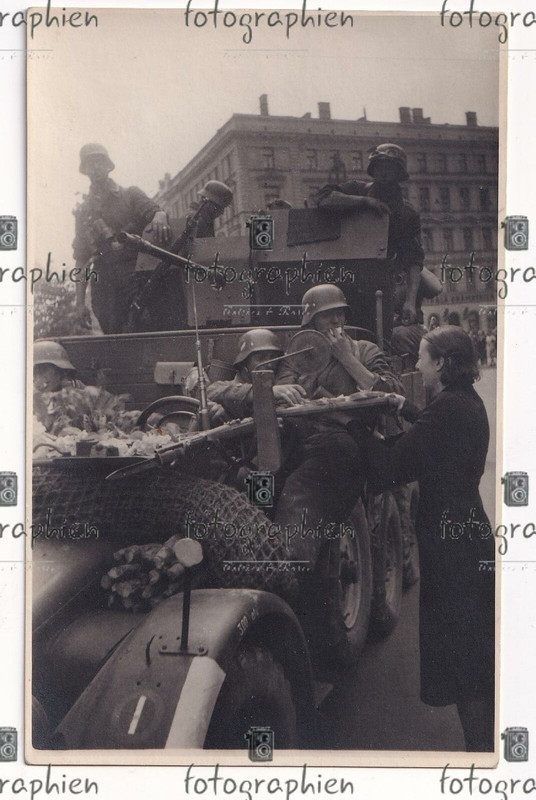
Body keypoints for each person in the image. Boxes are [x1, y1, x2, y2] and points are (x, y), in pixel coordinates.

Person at [360, 327, 495, 752]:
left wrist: (355, 431)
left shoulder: (447, 410)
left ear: (441, 363)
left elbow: (392, 467)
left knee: (466, 662)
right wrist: (405, 407)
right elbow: (436, 434)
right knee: (474, 655)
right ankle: (483, 748)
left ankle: (481, 755)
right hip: (466, 535)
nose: (417, 365)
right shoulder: (463, 401)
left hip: (452, 549)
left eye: (422, 357)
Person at [273, 284, 402, 567]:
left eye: (340, 314)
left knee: (301, 492)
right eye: (326, 316)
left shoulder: (364, 350)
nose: (335, 321)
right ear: (311, 323)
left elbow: (392, 393)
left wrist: (347, 358)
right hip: (298, 441)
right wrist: (286, 389)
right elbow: (282, 389)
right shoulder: (297, 356)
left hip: (347, 443)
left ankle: (292, 562)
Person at [317, 143, 425, 340]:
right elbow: (323, 198)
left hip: (379, 282)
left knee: (378, 337)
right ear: (372, 169)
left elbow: (414, 261)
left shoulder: (406, 213)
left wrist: (410, 302)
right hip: (343, 277)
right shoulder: (356, 190)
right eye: (379, 166)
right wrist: (363, 201)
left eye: (390, 167)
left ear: (399, 173)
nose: (383, 172)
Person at [72, 143, 170, 334]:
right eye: (90, 163)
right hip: (104, 283)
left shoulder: (130, 195)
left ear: (108, 165)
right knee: (113, 337)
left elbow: (155, 212)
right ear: (85, 169)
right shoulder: (84, 211)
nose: (95, 167)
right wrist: (79, 304)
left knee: (145, 329)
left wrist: (159, 215)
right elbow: (81, 259)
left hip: (136, 275)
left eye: (99, 161)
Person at [207, 328, 306, 418]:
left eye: (273, 357)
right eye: (260, 358)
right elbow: (212, 392)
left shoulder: (283, 387)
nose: (269, 364)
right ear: (244, 361)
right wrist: (265, 392)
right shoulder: (225, 387)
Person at [391, 267, 443, 362]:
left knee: (398, 335)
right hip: (386, 329)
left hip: (410, 328)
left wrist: (415, 264)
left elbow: (436, 288)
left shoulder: (412, 271)